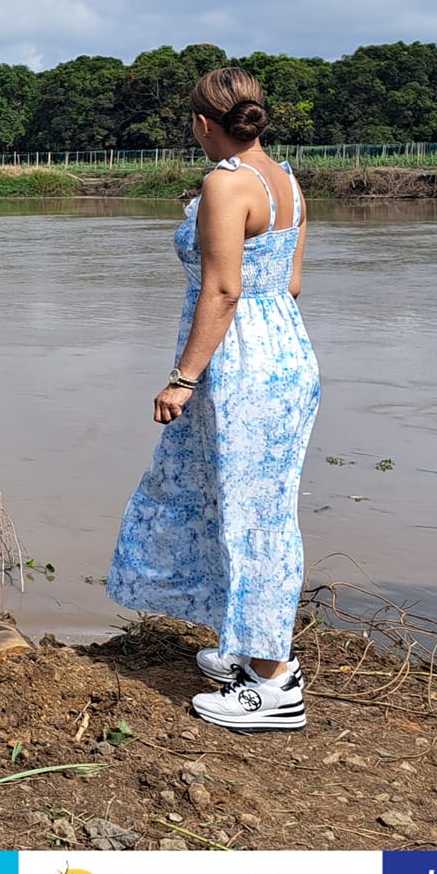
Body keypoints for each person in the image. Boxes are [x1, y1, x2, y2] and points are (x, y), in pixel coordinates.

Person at [107, 66, 321, 733]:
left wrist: (184, 377)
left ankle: (274, 683)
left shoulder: (225, 184)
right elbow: (289, 285)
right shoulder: (286, 180)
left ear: (203, 123)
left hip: (242, 364)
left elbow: (224, 291)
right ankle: (249, 648)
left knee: (255, 516)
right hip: (285, 351)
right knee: (244, 505)